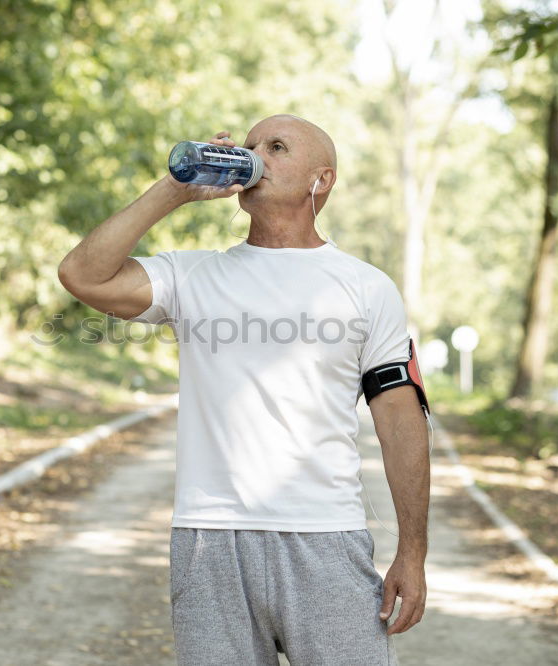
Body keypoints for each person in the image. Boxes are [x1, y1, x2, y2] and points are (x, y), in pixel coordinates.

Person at [57, 114, 430, 665]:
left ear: (320, 181)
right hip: (208, 542)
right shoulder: (192, 276)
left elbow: (402, 422)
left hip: (324, 537)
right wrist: (174, 190)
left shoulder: (366, 287)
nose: (256, 156)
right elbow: (82, 275)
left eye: (275, 147)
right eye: (252, 145)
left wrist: (413, 553)